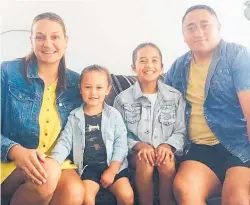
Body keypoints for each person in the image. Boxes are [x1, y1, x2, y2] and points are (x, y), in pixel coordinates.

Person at [164, 5, 250, 205]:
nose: (198, 32)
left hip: (237, 146)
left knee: (237, 196)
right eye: (191, 28)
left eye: (205, 25)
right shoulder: (177, 67)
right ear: (184, 35)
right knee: (185, 190)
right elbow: (162, 109)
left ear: (218, 28)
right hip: (198, 150)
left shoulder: (236, 55)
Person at [1, 12, 85, 205]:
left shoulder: (77, 83)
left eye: (55, 37)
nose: (47, 44)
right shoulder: (7, 71)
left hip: (56, 160)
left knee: (74, 191)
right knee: (48, 173)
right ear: (31, 40)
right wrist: (15, 150)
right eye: (40, 37)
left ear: (66, 40)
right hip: (10, 160)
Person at [114, 43, 186, 205]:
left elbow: (181, 130)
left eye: (154, 61)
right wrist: (139, 145)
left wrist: (167, 146)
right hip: (136, 154)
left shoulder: (175, 97)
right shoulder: (122, 99)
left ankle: (166, 201)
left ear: (161, 67)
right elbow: (118, 133)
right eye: (143, 61)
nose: (149, 65)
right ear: (134, 67)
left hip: (166, 151)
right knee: (145, 161)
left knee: (166, 162)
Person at [51, 65, 134, 205]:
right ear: (80, 89)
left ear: (108, 90)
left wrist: (113, 170)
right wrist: (53, 161)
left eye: (99, 88)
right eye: (88, 87)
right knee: (87, 199)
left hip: (113, 165)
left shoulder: (114, 115)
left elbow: (121, 145)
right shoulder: (74, 117)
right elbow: (64, 142)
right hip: (88, 168)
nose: (93, 92)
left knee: (127, 196)